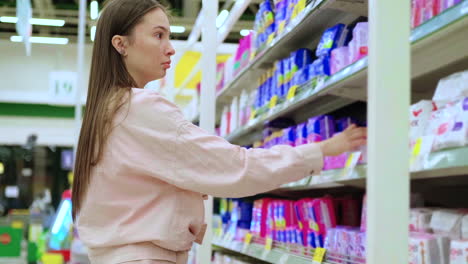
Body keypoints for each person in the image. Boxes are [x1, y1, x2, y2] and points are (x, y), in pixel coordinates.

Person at [72, 0, 367, 263]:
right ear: (121, 44)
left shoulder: (105, 110)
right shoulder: (139, 107)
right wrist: (321, 150)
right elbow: (236, 166)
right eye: (158, 35)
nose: (171, 47)